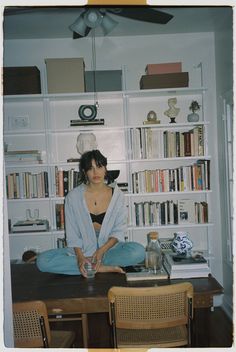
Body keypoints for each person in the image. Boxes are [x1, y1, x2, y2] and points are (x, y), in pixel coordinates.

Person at [36, 150, 145, 277]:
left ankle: (90, 266)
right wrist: (80, 258)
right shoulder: (73, 197)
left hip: (109, 249)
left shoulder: (118, 195)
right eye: (90, 168)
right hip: (83, 249)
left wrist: (101, 252)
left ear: (105, 169)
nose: (95, 172)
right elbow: (72, 234)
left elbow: (119, 231)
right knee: (42, 261)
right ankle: (99, 267)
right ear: (84, 172)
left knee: (139, 251)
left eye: (99, 167)